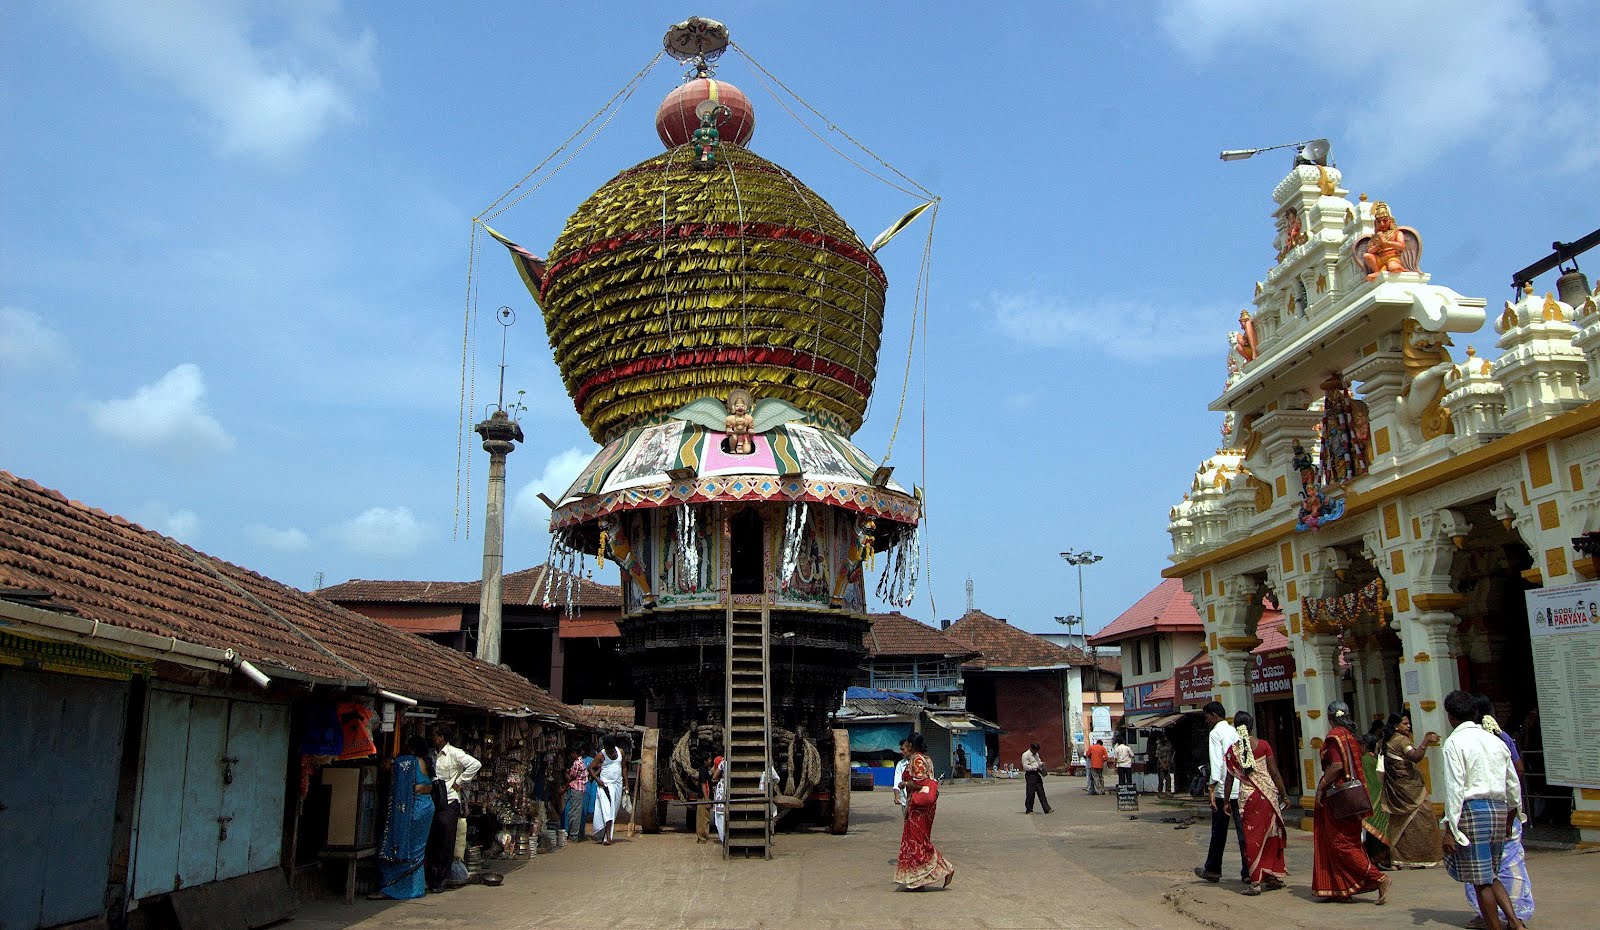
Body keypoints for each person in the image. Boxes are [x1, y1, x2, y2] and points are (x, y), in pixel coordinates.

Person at [1462, 695, 1534, 928]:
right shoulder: (1501, 738)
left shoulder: (1464, 742)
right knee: (1510, 863)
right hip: (1505, 809)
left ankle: (1490, 915)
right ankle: (1516, 915)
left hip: (1481, 811)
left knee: (1479, 868)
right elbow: (1519, 771)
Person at [1312, 701, 1391, 903]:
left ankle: (1378, 877)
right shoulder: (1350, 737)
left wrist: (1321, 786)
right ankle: (1342, 887)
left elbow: (1337, 765)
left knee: (1340, 843)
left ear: (1329, 717)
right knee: (1349, 840)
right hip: (1353, 796)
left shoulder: (1333, 738)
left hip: (1338, 798)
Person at [1363, 712, 1443, 869]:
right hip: (1410, 789)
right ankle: (1421, 857)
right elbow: (1414, 756)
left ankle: (1399, 859)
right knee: (1424, 817)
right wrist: (1425, 741)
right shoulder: (1401, 740)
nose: (1408, 726)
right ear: (1396, 726)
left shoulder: (1384, 742)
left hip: (1394, 790)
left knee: (1399, 822)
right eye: (1405, 724)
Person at [1221, 712, 1288, 896]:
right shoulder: (1264, 745)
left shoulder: (1233, 751)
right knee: (1272, 835)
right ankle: (1272, 875)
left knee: (1252, 839)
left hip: (1248, 798)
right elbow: (1274, 773)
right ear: (1252, 726)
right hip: (1269, 797)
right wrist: (1285, 795)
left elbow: (1228, 780)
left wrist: (1226, 801)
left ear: (1236, 728)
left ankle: (1256, 882)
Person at [374, 736, 435, 899]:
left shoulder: (409, 761)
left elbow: (391, 768)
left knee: (403, 846)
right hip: (426, 807)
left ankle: (396, 888)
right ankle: (416, 888)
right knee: (416, 850)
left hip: (415, 809)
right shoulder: (426, 761)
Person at [1195, 701, 1249, 885]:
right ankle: (1248, 870)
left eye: (1207, 717)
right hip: (1240, 787)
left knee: (1218, 831)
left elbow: (1217, 763)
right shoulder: (1235, 732)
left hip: (1223, 789)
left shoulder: (1215, 733)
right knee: (1243, 832)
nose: (1207, 721)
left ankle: (1213, 869)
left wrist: (1211, 788)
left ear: (1214, 716)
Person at [894, 734, 954, 890]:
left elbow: (919, 782)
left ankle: (941, 869)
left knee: (918, 842)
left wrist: (904, 783)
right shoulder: (926, 759)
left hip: (919, 806)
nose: (902, 750)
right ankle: (919, 879)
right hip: (924, 805)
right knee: (918, 841)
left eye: (905, 747)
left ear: (912, 746)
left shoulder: (917, 760)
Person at [426, 725, 480, 893]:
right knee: (433, 841)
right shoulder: (432, 754)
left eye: (435, 735)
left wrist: (460, 781)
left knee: (446, 842)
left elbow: (475, 764)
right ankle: (432, 878)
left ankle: (442, 879)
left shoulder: (455, 753)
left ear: (442, 737)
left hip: (449, 801)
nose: (433, 738)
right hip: (435, 800)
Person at [590, 735, 625, 846]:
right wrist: (597, 780)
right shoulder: (601, 755)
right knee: (607, 811)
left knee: (613, 811)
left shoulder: (620, 752)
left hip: (618, 785)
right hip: (605, 786)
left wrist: (627, 785)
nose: (610, 752)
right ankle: (609, 837)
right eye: (608, 749)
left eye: (611, 749)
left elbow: (624, 768)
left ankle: (605, 835)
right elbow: (590, 768)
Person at [564, 746, 589, 841]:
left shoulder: (576, 763)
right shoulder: (581, 762)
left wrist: (563, 788)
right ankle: (574, 834)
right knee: (575, 811)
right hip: (580, 789)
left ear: (574, 753)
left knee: (574, 812)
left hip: (577, 789)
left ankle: (573, 835)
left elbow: (572, 777)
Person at [1021, 742, 1052, 814]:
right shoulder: (1025, 755)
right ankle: (1029, 809)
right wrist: (1034, 767)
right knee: (1030, 793)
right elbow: (1025, 766)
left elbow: (1038, 761)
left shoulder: (1036, 754)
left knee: (1041, 791)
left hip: (1037, 774)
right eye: (1035, 750)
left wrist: (1041, 764)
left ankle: (1047, 809)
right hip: (1030, 774)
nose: (1036, 752)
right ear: (1032, 749)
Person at [892, 739, 913, 818]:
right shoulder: (900, 764)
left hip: (919, 801)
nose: (901, 752)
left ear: (910, 748)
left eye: (903, 749)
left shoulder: (920, 762)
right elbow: (897, 782)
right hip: (905, 801)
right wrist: (897, 796)